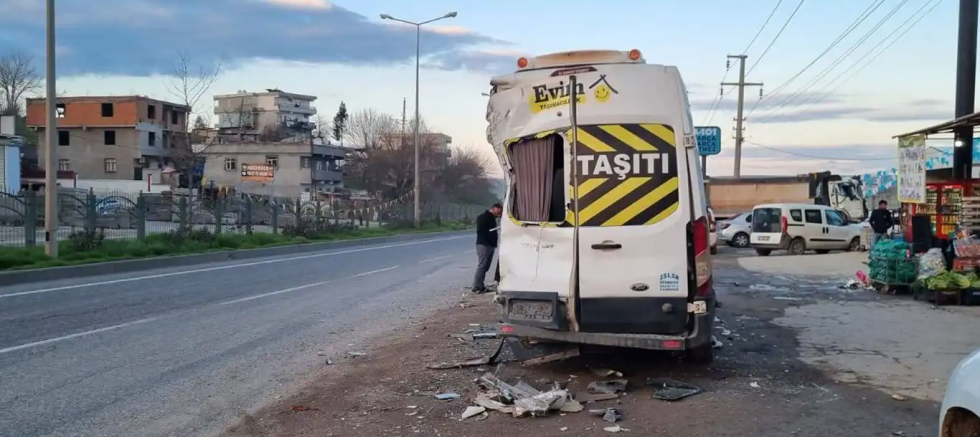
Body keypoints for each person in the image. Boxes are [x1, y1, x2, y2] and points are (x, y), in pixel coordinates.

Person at [473, 203, 502, 293]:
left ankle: (481, 285)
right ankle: (476, 286)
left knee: (486, 267)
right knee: (482, 266)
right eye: (498, 212)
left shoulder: (492, 218)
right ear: (493, 208)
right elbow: (481, 231)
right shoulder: (483, 217)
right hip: (484, 245)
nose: (499, 215)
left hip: (490, 245)